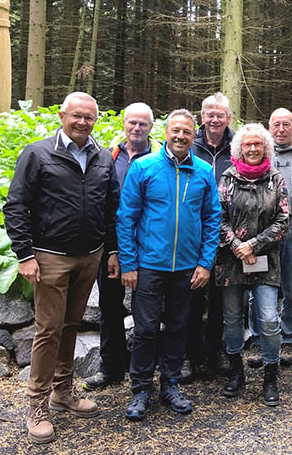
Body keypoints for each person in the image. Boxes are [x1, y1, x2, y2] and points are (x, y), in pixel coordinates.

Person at [3, 92, 120, 444]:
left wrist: (111, 251)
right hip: (51, 255)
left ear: (96, 120)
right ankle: (36, 404)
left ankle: (63, 390)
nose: (82, 122)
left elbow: (110, 207)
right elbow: (15, 205)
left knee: (70, 325)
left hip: (90, 254)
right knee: (49, 330)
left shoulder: (102, 157)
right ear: (62, 115)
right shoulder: (38, 153)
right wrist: (24, 255)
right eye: (77, 116)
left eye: (89, 117)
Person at [116, 109, 221, 421]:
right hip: (149, 265)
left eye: (187, 132)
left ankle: (170, 384)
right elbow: (126, 217)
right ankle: (140, 389)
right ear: (165, 132)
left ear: (194, 135)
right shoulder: (145, 168)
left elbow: (212, 218)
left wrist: (205, 263)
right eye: (176, 130)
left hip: (188, 267)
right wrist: (128, 263)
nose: (180, 136)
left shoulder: (203, 171)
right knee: (146, 329)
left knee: (179, 327)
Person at [82, 102, 159, 391]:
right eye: (132, 123)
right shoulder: (107, 157)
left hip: (149, 246)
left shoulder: (159, 158)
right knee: (109, 306)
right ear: (124, 124)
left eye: (143, 124)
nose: (137, 128)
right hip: (111, 244)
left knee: (148, 310)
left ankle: (146, 371)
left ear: (151, 127)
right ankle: (110, 368)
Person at [217, 123, 289, 406]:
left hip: (265, 260)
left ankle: (271, 374)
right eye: (247, 144)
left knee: (269, 319)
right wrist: (237, 245)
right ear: (239, 148)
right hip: (231, 260)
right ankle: (236, 372)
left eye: (258, 144)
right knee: (232, 319)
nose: (252, 148)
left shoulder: (275, 179)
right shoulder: (228, 178)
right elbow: (217, 215)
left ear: (266, 147)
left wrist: (254, 245)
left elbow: (283, 219)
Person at [245, 108, 292, 368]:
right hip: (262, 237)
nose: (281, 129)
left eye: (286, 124)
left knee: (291, 290)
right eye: (277, 125)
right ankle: (257, 339)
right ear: (269, 127)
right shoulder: (261, 152)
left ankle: (288, 339)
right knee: (257, 288)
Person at [186, 92, 235, 380]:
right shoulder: (189, 144)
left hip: (228, 235)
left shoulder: (238, 146)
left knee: (221, 299)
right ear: (202, 117)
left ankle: (215, 351)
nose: (215, 119)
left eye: (220, 114)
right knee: (190, 297)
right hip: (192, 232)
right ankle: (189, 355)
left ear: (228, 118)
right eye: (210, 114)